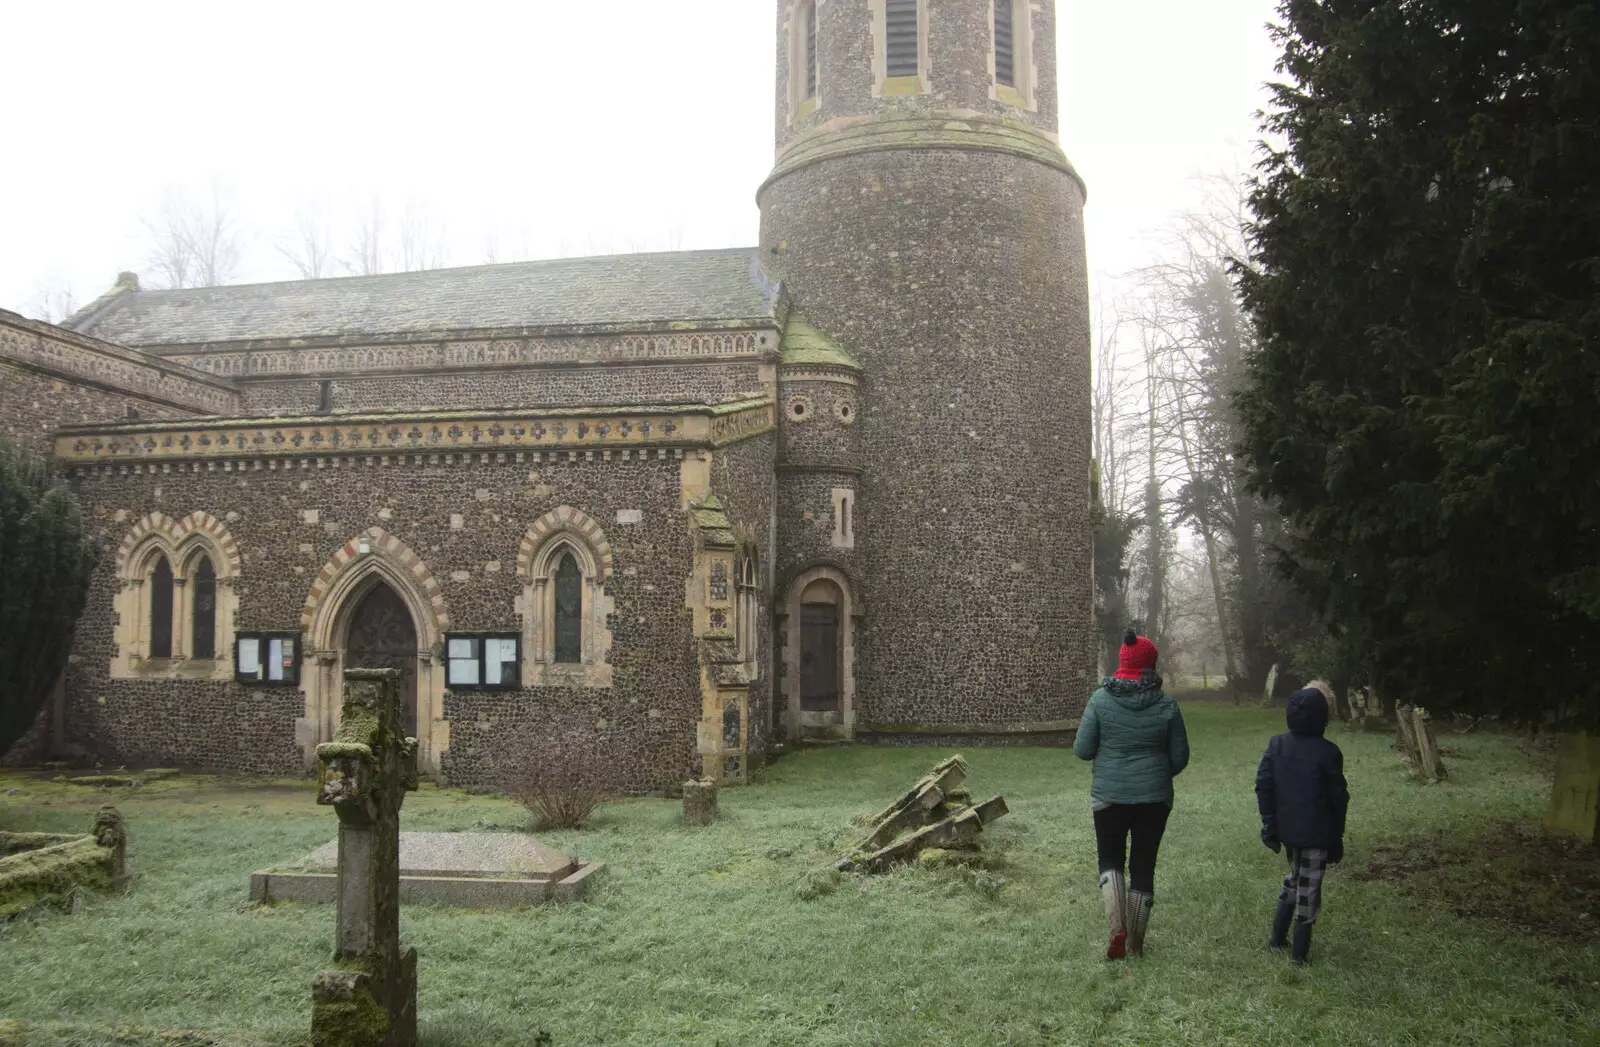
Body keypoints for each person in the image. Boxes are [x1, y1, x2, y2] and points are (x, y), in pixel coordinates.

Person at [1074, 628, 1190, 959]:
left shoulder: (1099, 701)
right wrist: (1155, 774)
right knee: (1143, 863)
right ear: (1151, 665)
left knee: (1110, 858)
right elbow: (1180, 757)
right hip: (1154, 800)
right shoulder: (1167, 705)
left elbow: (1083, 750)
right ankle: (1137, 943)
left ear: (1121, 660)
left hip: (1108, 796)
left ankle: (1117, 931)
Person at [1255, 685, 1350, 965]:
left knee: (1295, 877)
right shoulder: (1329, 752)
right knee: (1309, 887)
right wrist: (1337, 836)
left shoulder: (1276, 745)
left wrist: (1269, 824)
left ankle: (1277, 938)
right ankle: (1298, 955)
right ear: (1323, 717)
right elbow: (1338, 799)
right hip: (1317, 833)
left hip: (1288, 831)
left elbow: (1263, 786)